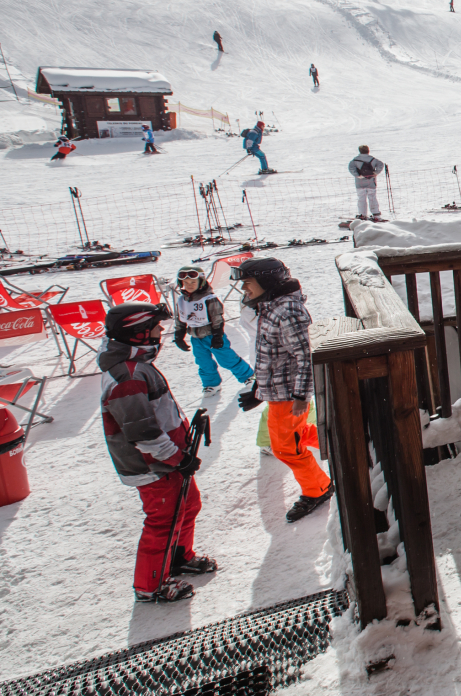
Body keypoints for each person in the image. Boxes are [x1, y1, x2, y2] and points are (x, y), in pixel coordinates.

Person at [100, 302, 217, 603]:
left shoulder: (138, 367)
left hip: (167, 458)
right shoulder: (128, 377)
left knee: (187, 505)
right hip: (153, 465)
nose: (161, 333)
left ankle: (178, 557)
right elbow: (143, 432)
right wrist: (177, 458)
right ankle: (150, 585)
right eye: (155, 328)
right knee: (163, 519)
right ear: (138, 334)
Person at [233, 258, 334, 524]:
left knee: (286, 449)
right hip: (278, 391)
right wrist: (259, 389)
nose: (244, 289)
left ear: (267, 283)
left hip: (288, 395)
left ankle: (319, 489)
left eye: (248, 283)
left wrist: (301, 395)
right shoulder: (271, 306)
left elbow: (305, 356)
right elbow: (272, 355)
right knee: (293, 438)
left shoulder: (287, 311)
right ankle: (335, 441)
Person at [172, 265, 253, 396]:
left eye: (193, 282)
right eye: (186, 283)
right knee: (203, 362)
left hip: (212, 335)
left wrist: (218, 336)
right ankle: (211, 384)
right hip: (196, 338)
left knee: (226, 359)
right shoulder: (182, 300)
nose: (189, 285)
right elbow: (180, 317)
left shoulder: (209, 299)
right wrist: (179, 335)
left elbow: (217, 318)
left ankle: (248, 376)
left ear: (201, 282)